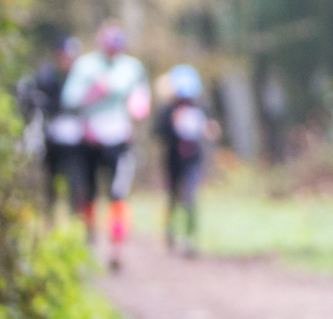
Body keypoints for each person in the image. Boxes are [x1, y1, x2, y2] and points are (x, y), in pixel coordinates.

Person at [62, 23, 150, 271]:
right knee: (88, 194)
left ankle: (116, 248)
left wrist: (139, 106)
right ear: (100, 43)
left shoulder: (132, 67)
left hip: (119, 139)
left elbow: (141, 98)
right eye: (108, 46)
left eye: (116, 47)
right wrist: (93, 92)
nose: (112, 51)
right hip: (90, 140)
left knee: (118, 196)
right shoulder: (85, 66)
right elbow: (69, 99)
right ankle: (88, 243)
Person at [16, 37, 84, 219]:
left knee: (76, 181)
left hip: (75, 140)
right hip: (51, 136)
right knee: (50, 179)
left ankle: (75, 219)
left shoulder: (81, 76)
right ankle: (49, 218)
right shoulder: (46, 74)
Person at [155, 64, 218, 256]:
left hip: (193, 159)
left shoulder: (201, 107)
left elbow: (212, 129)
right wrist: (171, 123)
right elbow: (158, 134)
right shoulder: (167, 110)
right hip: (173, 160)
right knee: (173, 197)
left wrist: (210, 130)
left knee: (190, 198)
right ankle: (171, 232)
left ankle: (190, 239)